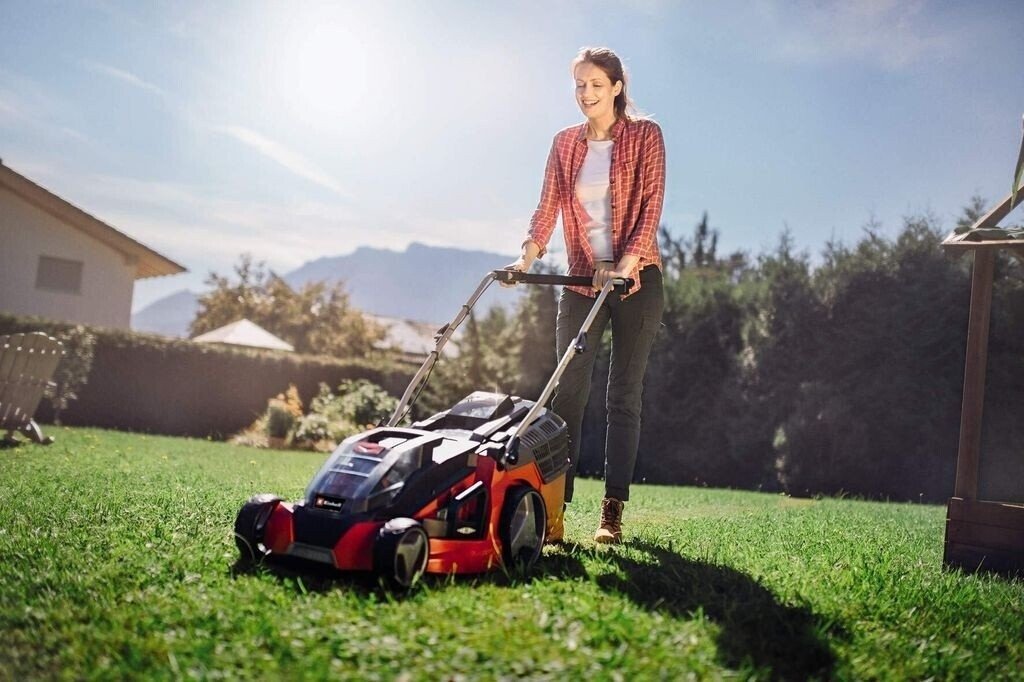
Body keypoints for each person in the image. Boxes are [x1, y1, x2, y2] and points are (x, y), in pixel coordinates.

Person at [506, 47, 666, 544]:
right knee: (567, 394)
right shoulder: (564, 143)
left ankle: (611, 510)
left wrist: (623, 266)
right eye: (580, 84)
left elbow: (651, 207)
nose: (586, 93)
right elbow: (548, 206)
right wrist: (525, 259)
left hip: (637, 283)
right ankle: (553, 512)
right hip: (580, 280)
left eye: (596, 84)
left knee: (622, 396)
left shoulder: (646, 135)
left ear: (616, 87)